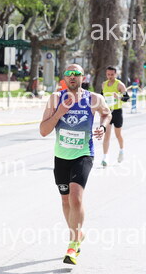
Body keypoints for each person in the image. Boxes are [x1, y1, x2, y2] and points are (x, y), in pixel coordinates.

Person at [40, 64, 111, 265]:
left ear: (83, 77)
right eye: (69, 73)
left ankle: (73, 244)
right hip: (61, 156)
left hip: (84, 154)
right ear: (64, 78)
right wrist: (59, 112)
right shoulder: (55, 99)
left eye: (76, 74)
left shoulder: (94, 99)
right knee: (65, 201)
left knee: (75, 197)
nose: (72, 76)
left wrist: (103, 127)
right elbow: (43, 131)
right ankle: (78, 234)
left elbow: (107, 113)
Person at [101, 66, 129, 166]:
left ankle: (121, 151)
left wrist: (119, 97)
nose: (110, 76)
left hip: (117, 112)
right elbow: (101, 98)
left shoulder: (120, 85)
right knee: (107, 135)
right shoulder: (104, 84)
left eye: (112, 74)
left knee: (118, 135)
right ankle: (105, 157)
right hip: (107, 112)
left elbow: (127, 98)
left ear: (116, 74)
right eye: (108, 74)